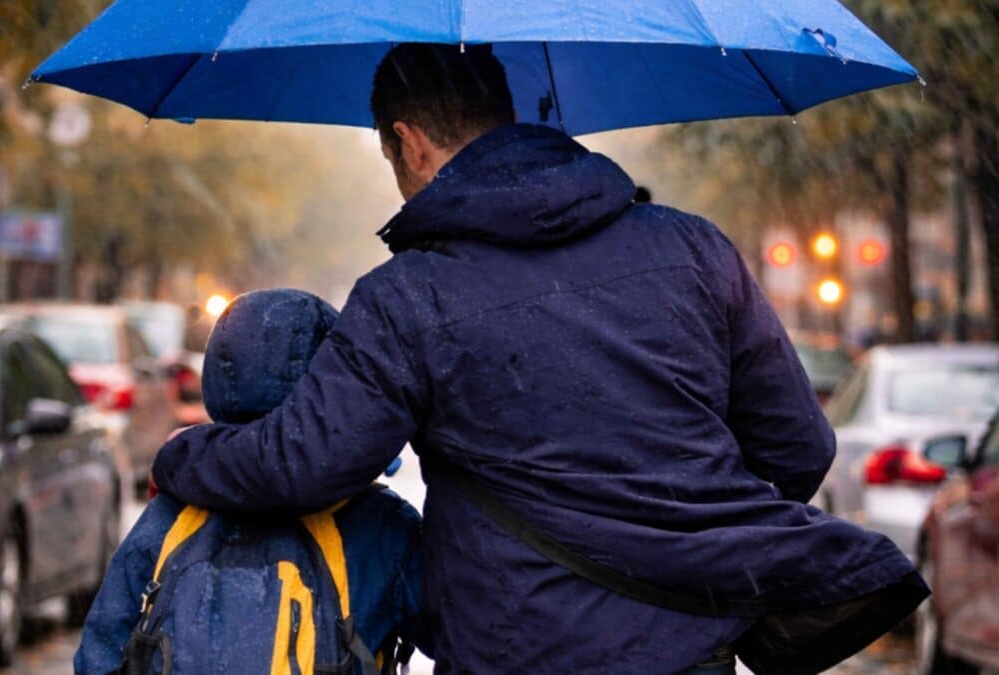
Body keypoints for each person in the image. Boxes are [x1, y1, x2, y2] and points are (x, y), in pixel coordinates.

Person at [151, 44, 926, 674]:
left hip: (511, 652)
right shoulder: (693, 248)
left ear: (407, 141)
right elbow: (800, 447)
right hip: (693, 653)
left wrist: (185, 454)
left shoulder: (407, 296)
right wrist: (682, 545)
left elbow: (304, 464)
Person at [76, 289, 429, 674]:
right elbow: (458, 632)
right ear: (334, 385)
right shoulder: (380, 525)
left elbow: (100, 651)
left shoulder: (173, 510)